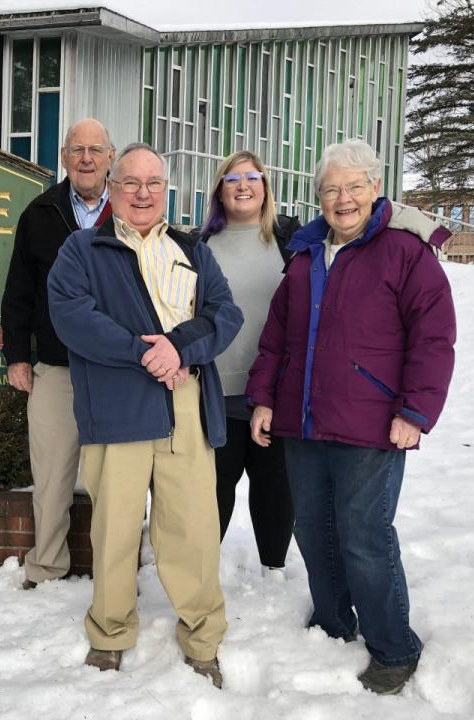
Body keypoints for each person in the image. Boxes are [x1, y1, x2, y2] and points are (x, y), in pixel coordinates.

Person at [246, 139, 456, 695]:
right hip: (304, 421)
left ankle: (394, 647)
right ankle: (335, 621)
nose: (343, 199)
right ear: (319, 198)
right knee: (314, 530)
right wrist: (266, 398)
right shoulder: (305, 253)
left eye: (354, 187)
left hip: (372, 423)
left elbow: (434, 339)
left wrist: (415, 411)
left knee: (364, 536)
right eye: (332, 189)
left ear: (376, 188)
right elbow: (276, 340)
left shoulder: (404, 252)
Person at [48, 143, 243, 687]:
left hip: (185, 403)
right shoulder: (82, 249)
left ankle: (203, 638)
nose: (142, 193)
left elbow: (224, 313)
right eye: (130, 182)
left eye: (153, 182)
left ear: (166, 190)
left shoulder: (193, 249)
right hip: (117, 405)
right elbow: (72, 317)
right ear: (112, 188)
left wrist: (179, 348)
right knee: (114, 530)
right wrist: (146, 354)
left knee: (192, 529)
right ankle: (109, 634)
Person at [1, 118, 115, 591]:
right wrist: (16, 356)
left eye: (95, 149)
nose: (86, 158)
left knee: (117, 480)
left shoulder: (132, 211)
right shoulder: (39, 213)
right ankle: (47, 566)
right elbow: (18, 293)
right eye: (77, 150)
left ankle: (118, 570)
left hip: (116, 373)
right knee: (50, 479)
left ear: (110, 157)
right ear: (64, 158)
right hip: (55, 366)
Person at [200, 150, 300, 578]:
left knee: (274, 485)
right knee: (214, 486)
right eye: (232, 178)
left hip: (273, 391)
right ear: (219, 191)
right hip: (213, 390)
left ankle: (273, 568)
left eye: (253, 177)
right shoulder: (197, 244)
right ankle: (204, 568)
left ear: (266, 188)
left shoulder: (291, 241)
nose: (243, 185)